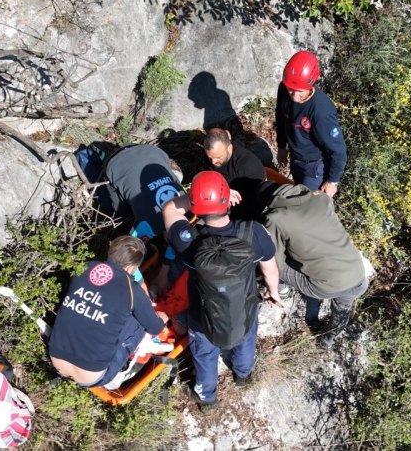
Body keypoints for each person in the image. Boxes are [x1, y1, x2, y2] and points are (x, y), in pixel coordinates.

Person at [162, 171, 281, 411]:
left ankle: (207, 400)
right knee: (246, 337)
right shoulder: (254, 233)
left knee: (205, 356)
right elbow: (270, 271)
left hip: (203, 317)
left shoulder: (188, 243)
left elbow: (170, 209)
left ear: (195, 207)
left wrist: (195, 198)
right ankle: (243, 376)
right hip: (243, 307)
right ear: (228, 201)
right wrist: (274, 293)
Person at [257, 181, 368, 349]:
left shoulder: (275, 218)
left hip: (326, 286)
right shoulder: (321, 200)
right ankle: (327, 342)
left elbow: (275, 260)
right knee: (342, 310)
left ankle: (282, 290)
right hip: (357, 274)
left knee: (277, 265)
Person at [48, 237, 168, 388]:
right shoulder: (132, 290)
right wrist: (161, 318)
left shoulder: (84, 267)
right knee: (140, 320)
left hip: (57, 361)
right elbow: (155, 328)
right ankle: (123, 367)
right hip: (93, 376)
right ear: (133, 267)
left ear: (110, 249)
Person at [102, 143, 185, 296]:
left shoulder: (187, 206)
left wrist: (163, 274)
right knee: (121, 215)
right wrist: (142, 287)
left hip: (153, 152)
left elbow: (175, 242)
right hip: (116, 161)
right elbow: (125, 256)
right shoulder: (147, 225)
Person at [275, 50, 348, 198]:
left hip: (314, 167)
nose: (294, 96)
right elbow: (280, 118)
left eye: (300, 91)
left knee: (308, 206)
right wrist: (282, 146)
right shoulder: (283, 89)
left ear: (312, 83)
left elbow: (338, 150)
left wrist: (332, 181)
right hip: (296, 159)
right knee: (297, 195)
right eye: (291, 90)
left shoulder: (321, 111)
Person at [203, 128, 266, 220]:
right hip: (218, 202)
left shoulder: (247, 166)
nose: (213, 162)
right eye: (210, 158)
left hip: (243, 215)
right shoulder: (212, 155)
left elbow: (257, 202)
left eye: (218, 157)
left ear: (229, 147)